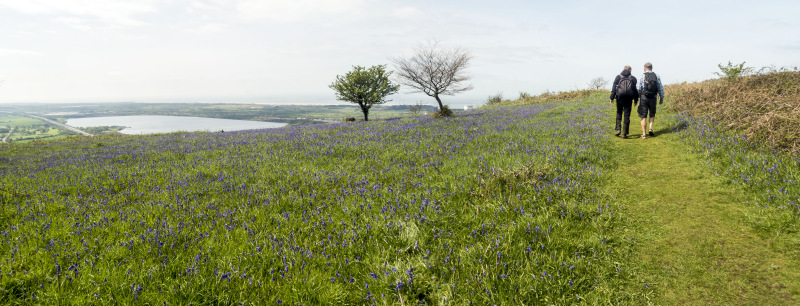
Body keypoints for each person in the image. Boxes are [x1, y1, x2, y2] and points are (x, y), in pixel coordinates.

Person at [609, 66, 639, 138]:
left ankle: (618, 129)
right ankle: (624, 133)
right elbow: (635, 90)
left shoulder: (618, 77)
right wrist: (635, 100)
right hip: (629, 98)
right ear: (630, 70)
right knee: (627, 115)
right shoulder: (633, 78)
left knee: (619, 113)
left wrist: (612, 98)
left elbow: (614, 88)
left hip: (619, 98)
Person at [637, 62, 664, 139]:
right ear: (651, 68)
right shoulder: (656, 76)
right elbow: (660, 88)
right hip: (653, 97)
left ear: (644, 68)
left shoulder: (642, 76)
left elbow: (639, 88)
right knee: (652, 113)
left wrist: (638, 97)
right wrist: (661, 98)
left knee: (643, 115)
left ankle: (644, 134)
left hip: (644, 97)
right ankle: (650, 128)